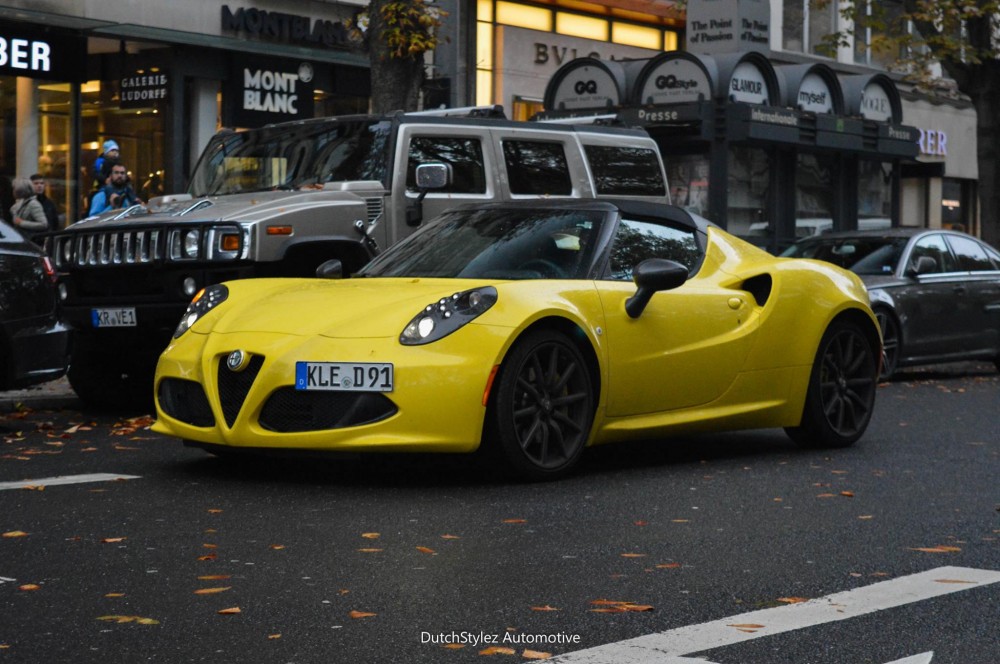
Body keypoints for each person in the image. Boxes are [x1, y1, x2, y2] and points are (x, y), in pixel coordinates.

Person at [10, 177, 48, 245]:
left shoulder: (33, 204)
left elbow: (43, 224)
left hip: (31, 241)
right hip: (22, 240)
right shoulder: (18, 204)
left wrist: (22, 223)